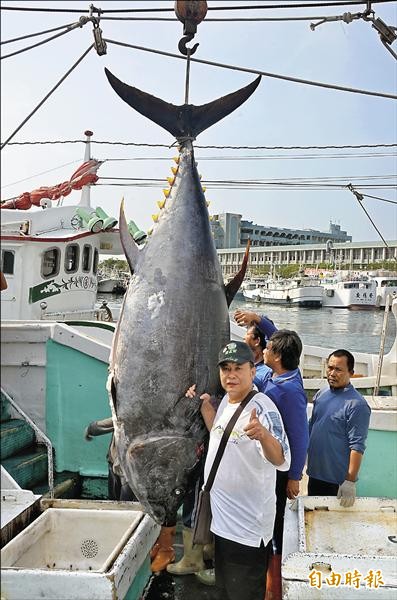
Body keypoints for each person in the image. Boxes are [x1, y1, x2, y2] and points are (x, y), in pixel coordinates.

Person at [190, 340, 290, 600]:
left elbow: (281, 459)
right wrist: (204, 406)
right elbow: (220, 434)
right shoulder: (226, 403)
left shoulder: (263, 408)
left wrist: (264, 436)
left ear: (252, 371)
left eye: (238, 368)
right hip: (222, 525)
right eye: (225, 369)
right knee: (224, 592)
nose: (231, 375)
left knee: (243, 593)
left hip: (247, 531)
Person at [235, 310, 309, 555]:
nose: (264, 350)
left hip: (279, 466)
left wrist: (294, 476)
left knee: (273, 517)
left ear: (276, 356)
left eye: (268, 349)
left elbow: (300, 436)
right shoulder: (282, 373)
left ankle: (272, 567)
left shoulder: (289, 391)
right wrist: (257, 318)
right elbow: (276, 335)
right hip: (266, 458)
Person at [307, 349, 371, 506]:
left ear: (351, 372)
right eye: (330, 368)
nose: (332, 373)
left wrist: (350, 481)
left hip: (336, 481)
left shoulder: (357, 405)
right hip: (314, 474)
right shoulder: (321, 394)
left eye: (338, 369)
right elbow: (312, 427)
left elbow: (357, 446)